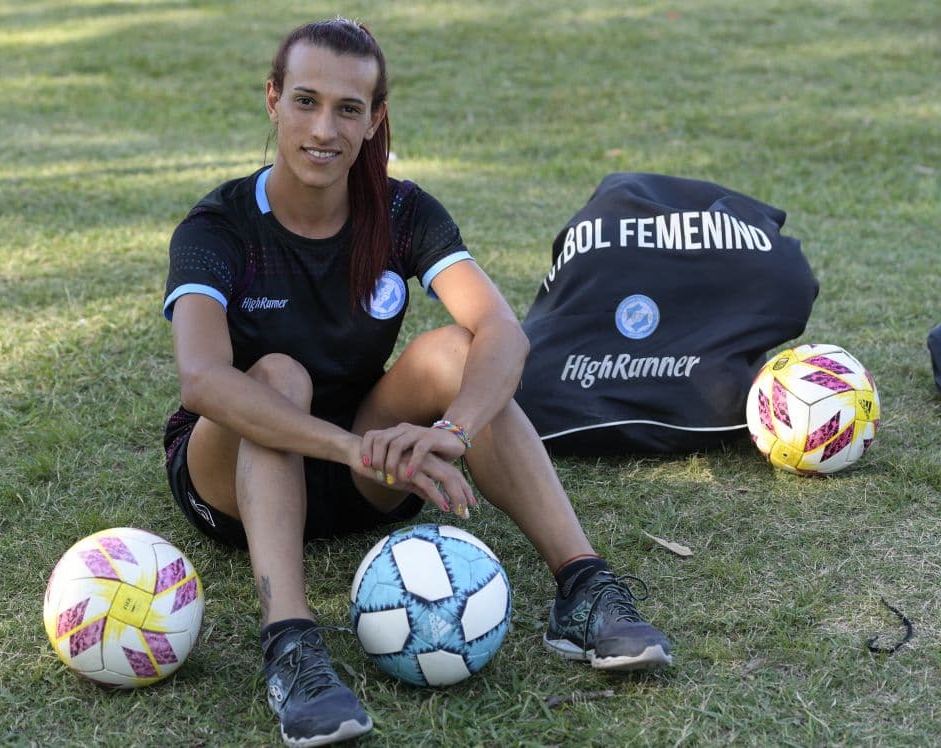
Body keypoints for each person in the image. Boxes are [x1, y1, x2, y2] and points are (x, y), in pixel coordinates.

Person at [162, 18, 671, 748]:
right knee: (276, 375)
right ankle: (291, 649)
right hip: (230, 478)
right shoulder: (220, 226)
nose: (323, 128)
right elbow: (203, 380)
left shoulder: (401, 212)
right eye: (305, 101)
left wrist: (449, 431)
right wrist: (345, 445)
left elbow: (503, 333)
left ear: (375, 121)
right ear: (273, 100)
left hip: (368, 465)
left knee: (455, 352)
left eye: (348, 109)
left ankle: (585, 588)